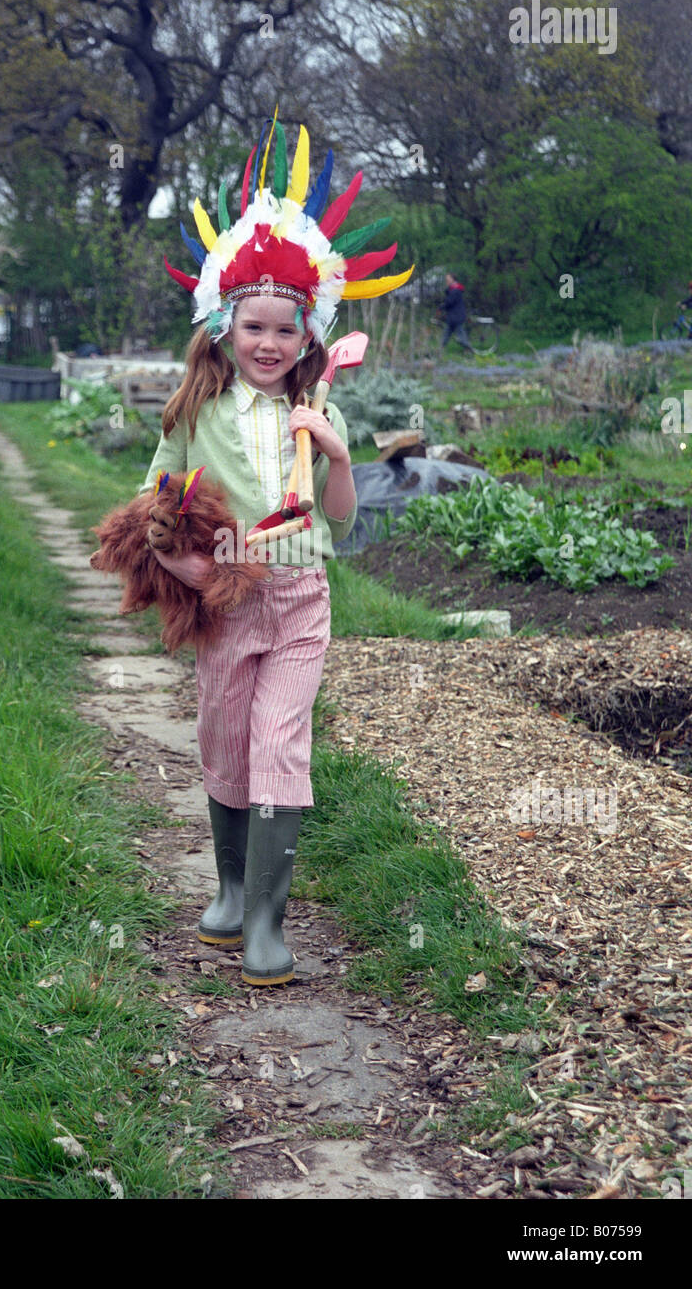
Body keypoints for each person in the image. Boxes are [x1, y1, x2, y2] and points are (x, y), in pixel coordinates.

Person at [137, 110, 413, 986]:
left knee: (281, 741)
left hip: (299, 599)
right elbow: (158, 498)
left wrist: (335, 455)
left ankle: (266, 920)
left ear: (310, 340)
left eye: (285, 332)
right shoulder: (194, 411)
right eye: (254, 326)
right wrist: (179, 553)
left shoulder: (319, 414)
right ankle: (226, 887)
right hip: (226, 596)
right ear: (224, 325)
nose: (268, 344)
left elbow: (339, 523)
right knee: (225, 736)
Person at [439, 271, 475, 354]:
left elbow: (449, 302)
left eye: (448, 279)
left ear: (453, 279)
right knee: (447, 334)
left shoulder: (455, 290)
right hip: (453, 316)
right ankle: (440, 349)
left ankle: (470, 349)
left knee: (460, 336)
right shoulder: (453, 289)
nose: (446, 281)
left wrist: (441, 307)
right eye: (446, 279)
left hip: (456, 316)